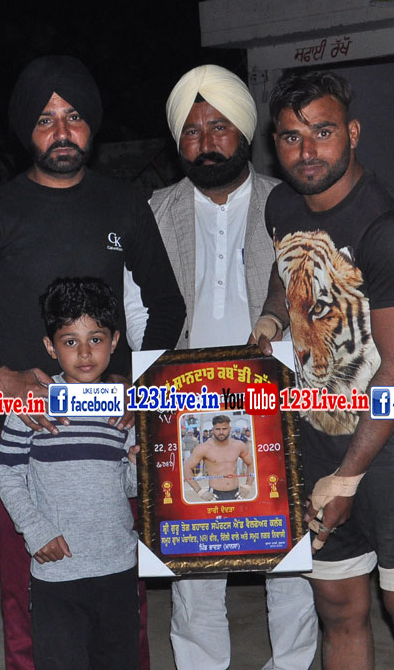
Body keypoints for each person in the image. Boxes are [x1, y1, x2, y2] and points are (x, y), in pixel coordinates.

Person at [0, 55, 184, 669]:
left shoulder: (123, 204)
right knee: (28, 588)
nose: (62, 131)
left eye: (74, 117)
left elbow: (168, 303)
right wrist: (0, 378)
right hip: (30, 428)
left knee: (122, 588)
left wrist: (135, 383)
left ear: (92, 125)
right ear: (27, 132)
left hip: (112, 428)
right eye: (45, 119)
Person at [254, 69, 394, 669]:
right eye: (291, 137)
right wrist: (271, 320)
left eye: (322, 132)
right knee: (338, 613)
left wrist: (346, 480)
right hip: (317, 437)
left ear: (352, 132)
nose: (307, 150)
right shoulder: (282, 204)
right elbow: (286, 268)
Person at [124, 63, 317, 670]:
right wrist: (144, 403)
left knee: (289, 559)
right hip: (180, 402)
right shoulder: (153, 211)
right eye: (192, 130)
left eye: (219, 126)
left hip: (278, 400)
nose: (206, 141)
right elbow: (136, 311)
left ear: (245, 132)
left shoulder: (289, 202)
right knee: (193, 563)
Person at [0, 277, 139, 670]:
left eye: (96, 339)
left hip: (118, 566)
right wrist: (35, 530)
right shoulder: (34, 403)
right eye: (70, 341)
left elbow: (128, 486)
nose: (85, 353)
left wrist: (139, 465)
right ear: (50, 347)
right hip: (58, 570)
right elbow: (6, 471)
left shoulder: (123, 407)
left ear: (115, 341)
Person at [182, 415, 254, 501]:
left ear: (230, 429)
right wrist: (200, 491)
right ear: (213, 429)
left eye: (224, 429)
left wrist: (248, 486)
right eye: (218, 429)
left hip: (236, 493)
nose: (221, 432)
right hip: (215, 495)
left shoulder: (238, 445)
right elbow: (186, 467)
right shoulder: (204, 448)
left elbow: (251, 463)